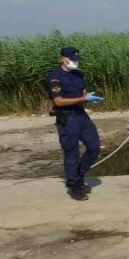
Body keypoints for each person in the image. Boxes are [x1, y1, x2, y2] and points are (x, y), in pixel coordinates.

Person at [45, 46, 104, 201]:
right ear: (63, 59)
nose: (75, 62)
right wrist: (83, 99)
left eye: (77, 59)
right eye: (72, 59)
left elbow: (83, 93)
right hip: (67, 117)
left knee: (94, 147)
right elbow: (58, 101)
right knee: (72, 153)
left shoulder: (78, 75)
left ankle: (79, 175)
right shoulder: (55, 78)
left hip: (81, 115)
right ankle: (74, 186)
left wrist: (89, 97)